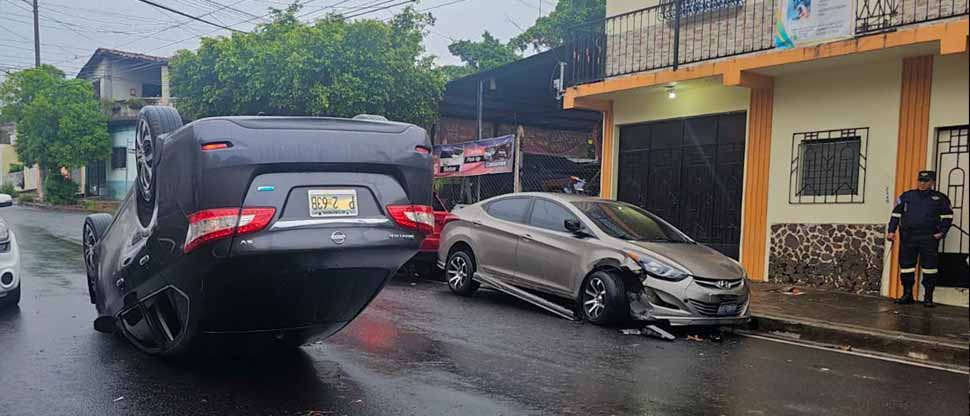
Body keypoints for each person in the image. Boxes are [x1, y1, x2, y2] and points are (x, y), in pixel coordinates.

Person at [886, 170, 954, 307]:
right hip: (908, 237)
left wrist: (941, 232)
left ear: (932, 182)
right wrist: (891, 231)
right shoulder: (907, 196)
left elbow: (947, 217)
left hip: (928, 237)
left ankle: (928, 297)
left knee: (930, 268)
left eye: (926, 181)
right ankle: (907, 294)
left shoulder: (940, 198)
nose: (922, 183)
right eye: (920, 181)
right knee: (906, 267)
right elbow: (896, 214)